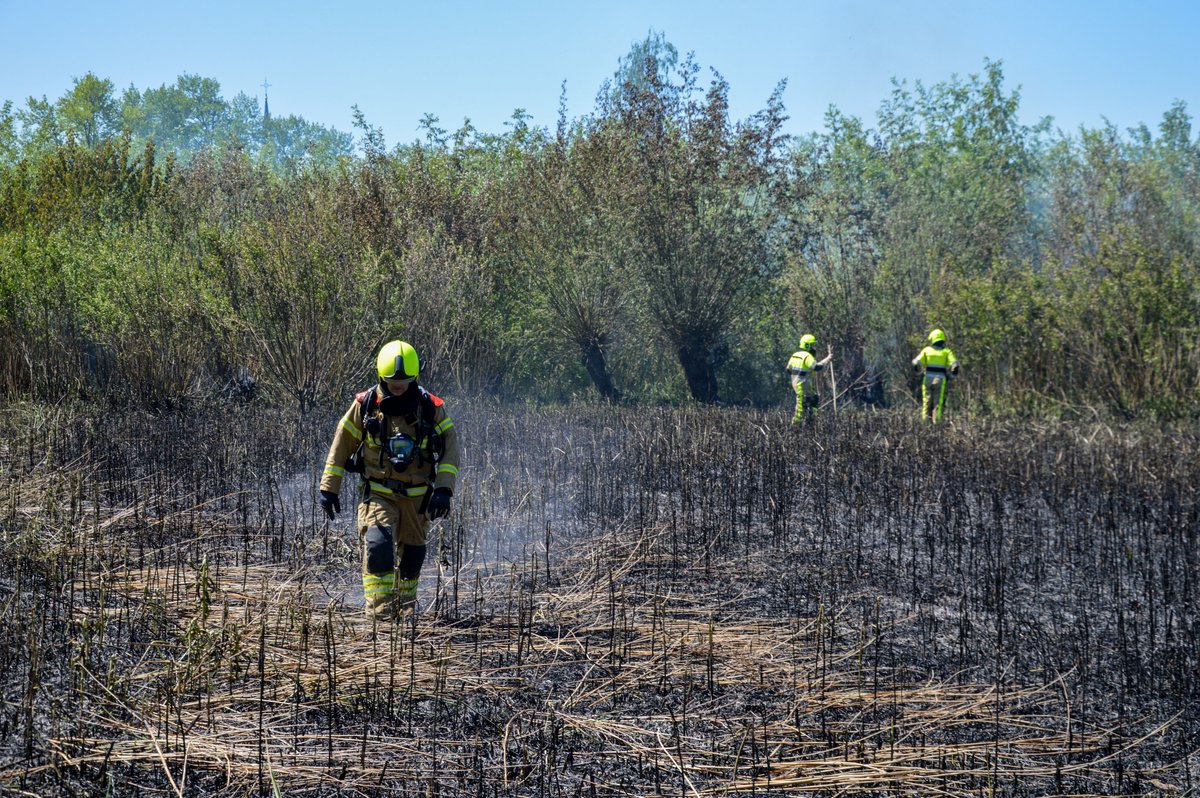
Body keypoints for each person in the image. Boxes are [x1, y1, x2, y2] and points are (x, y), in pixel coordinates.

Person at [319, 340, 460, 620]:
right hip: (379, 491)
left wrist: (444, 488)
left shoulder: (431, 407)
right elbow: (342, 443)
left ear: (416, 376)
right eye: (393, 382)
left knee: (412, 556)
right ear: (380, 376)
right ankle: (381, 618)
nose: (398, 386)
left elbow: (451, 447)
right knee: (378, 546)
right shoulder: (366, 405)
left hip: (418, 496)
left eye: (405, 381)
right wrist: (329, 487)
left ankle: (405, 614)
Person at [911, 328, 960, 423]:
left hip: (927, 380)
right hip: (940, 380)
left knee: (926, 403)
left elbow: (916, 363)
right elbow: (955, 365)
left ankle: (924, 426)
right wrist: (952, 376)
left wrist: (918, 373)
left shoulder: (927, 350)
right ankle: (937, 426)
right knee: (938, 404)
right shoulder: (946, 352)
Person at [785, 334, 833, 423]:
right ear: (807, 345)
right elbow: (817, 367)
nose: (814, 348)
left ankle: (812, 419)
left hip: (798, 385)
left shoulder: (795, 355)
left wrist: (798, 376)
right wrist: (828, 359)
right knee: (800, 407)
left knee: (814, 398)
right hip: (802, 385)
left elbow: (788, 369)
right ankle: (795, 426)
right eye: (812, 345)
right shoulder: (807, 356)